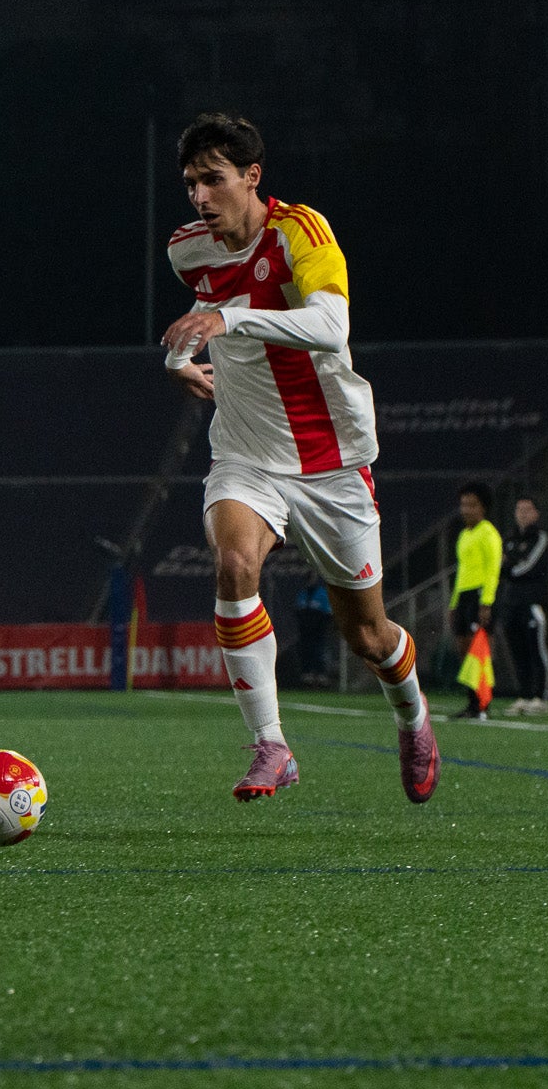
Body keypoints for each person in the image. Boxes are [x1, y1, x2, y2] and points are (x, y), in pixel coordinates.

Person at [159, 112, 438, 804]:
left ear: (253, 177)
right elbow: (198, 315)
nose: (199, 196)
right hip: (247, 453)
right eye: (191, 182)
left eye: (214, 180)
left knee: (368, 636)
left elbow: (330, 325)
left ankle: (414, 716)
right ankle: (271, 744)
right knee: (232, 563)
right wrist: (179, 359)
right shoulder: (187, 248)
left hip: (331, 459)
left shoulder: (301, 232)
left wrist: (230, 319)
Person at [450, 482, 502, 720]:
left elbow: (493, 569)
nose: (466, 509)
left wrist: (486, 602)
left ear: (483, 508)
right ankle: (472, 703)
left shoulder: (488, 532)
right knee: (463, 651)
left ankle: (483, 703)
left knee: (478, 651)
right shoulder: (464, 535)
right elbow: (461, 572)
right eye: (463, 504)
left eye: (471, 505)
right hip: (464, 596)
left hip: (481, 595)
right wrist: (453, 603)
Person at [500, 493, 548, 716]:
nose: (522, 514)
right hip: (512, 602)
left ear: (536, 513)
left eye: (527, 510)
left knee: (536, 649)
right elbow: (501, 562)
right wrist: (509, 566)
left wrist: (508, 568)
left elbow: (527, 566)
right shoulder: (510, 538)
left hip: (533, 603)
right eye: (519, 510)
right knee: (517, 651)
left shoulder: (540, 537)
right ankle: (524, 695)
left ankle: (540, 697)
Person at [293, 574, 333, 688]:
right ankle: (307, 676)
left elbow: (327, 613)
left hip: (319, 630)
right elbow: (298, 611)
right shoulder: (303, 594)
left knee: (319, 651)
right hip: (305, 631)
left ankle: (321, 676)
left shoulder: (321, 594)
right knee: (306, 652)